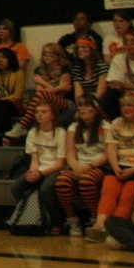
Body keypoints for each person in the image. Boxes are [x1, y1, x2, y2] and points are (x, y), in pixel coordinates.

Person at [85, 91, 134, 243]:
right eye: (122, 105)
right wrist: (116, 168)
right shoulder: (116, 123)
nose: (125, 108)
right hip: (118, 165)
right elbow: (111, 148)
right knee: (109, 190)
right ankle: (100, 226)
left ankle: (115, 229)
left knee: (127, 194)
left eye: (129, 105)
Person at [54, 98, 107, 236]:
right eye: (82, 112)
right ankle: (72, 219)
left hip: (98, 165)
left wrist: (89, 166)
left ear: (96, 111)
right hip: (78, 165)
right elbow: (70, 152)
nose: (86, 115)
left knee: (86, 181)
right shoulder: (74, 127)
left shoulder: (105, 126)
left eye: (89, 111)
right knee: (62, 181)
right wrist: (75, 166)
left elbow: (107, 154)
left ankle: (95, 218)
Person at [11, 101, 66, 232]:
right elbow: (34, 159)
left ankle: (57, 222)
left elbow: (60, 163)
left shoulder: (60, 133)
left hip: (56, 169)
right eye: (37, 112)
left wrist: (40, 174)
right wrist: (33, 172)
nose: (39, 115)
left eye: (44, 112)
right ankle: (29, 215)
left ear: (52, 115)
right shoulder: (33, 132)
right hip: (39, 169)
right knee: (16, 187)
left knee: (46, 189)